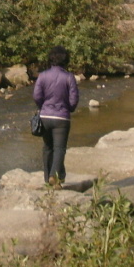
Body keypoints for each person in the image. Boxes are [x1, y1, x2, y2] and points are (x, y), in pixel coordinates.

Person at [33, 45, 79, 186]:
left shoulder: (42, 76)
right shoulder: (69, 77)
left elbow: (36, 95)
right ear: (65, 60)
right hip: (62, 118)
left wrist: (43, 108)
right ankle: (55, 176)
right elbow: (74, 100)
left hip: (45, 116)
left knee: (48, 148)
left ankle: (48, 179)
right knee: (59, 148)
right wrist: (69, 109)